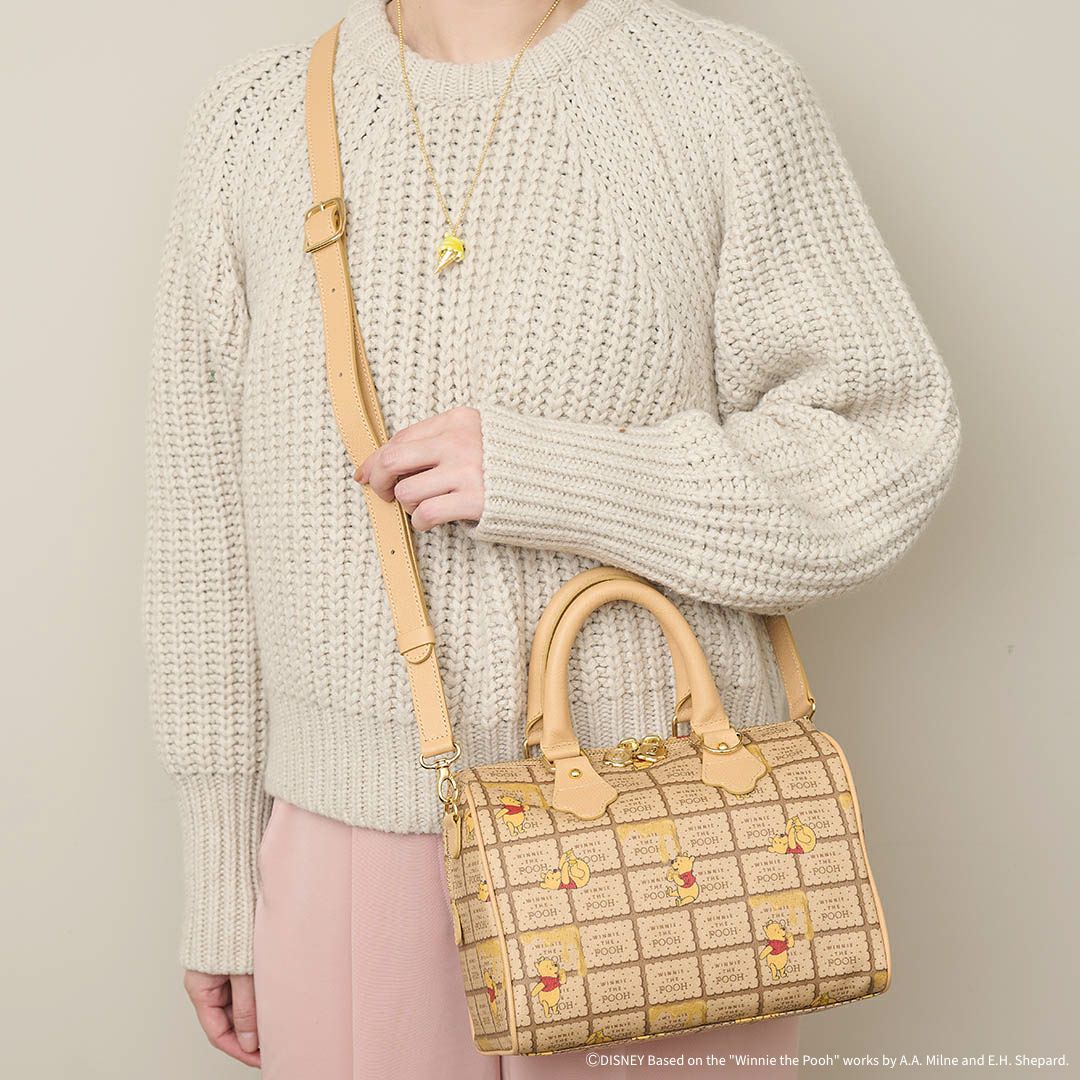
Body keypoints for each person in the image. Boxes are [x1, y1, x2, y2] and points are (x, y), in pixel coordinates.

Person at [142, 0, 961, 1075]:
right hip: (354, 846)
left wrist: (560, 477)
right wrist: (219, 877)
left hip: (669, 835)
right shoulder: (253, 124)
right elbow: (203, 533)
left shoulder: (720, 91)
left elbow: (882, 442)